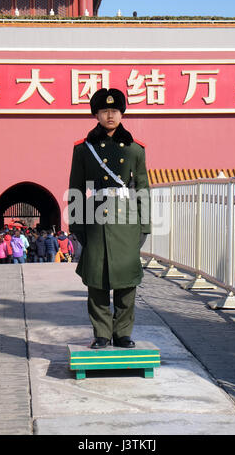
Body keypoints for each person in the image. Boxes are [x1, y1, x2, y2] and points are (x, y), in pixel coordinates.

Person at [68, 88, 151, 349]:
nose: (110, 115)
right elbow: (76, 188)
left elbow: (142, 188)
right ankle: (102, 333)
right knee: (97, 279)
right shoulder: (84, 149)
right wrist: (76, 223)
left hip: (127, 220)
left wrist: (145, 224)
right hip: (95, 220)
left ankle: (123, 332)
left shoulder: (136, 150)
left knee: (127, 280)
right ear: (96, 114)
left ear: (122, 113)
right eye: (104, 111)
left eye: (114, 111)